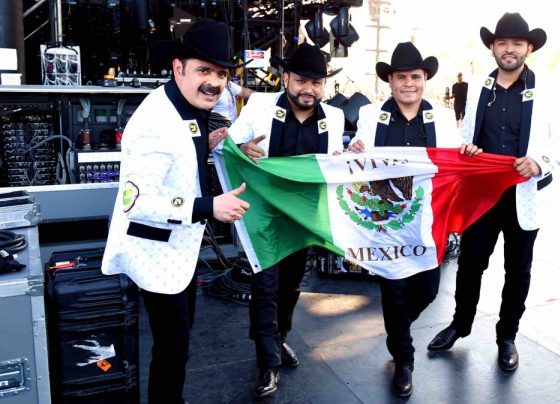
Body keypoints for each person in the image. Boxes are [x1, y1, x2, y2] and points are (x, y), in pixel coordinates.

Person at [101, 19, 250, 403]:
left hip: (179, 247)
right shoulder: (155, 122)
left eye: (221, 73)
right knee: (172, 348)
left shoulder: (185, 104)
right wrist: (209, 206)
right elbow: (137, 202)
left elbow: (184, 154)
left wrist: (219, 145)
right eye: (204, 70)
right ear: (178, 68)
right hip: (156, 252)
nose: (214, 83)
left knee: (177, 345)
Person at [426, 13, 560, 372]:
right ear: (493, 47)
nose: (509, 49)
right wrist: (468, 149)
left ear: (528, 48)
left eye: (517, 43)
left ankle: (507, 336)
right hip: (482, 194)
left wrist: (540, 161)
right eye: (503, 43)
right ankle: (460, 325)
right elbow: (466, 137)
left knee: (517, 270)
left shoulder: (550, 89)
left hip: (525, 194)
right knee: (471, 265)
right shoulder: (479, 86)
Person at [348, 42, 480, 398]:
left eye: (416, 77)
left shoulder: (440, 117)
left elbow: (454, 163)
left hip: (428, 223)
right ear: (390, 81)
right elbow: (358, 156)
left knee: (428, 290)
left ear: (425, 80)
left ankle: (397, 331)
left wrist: (467, 155)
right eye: (401, 77)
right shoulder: (373, 116)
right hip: (387, 222)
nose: (409, 83)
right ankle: (404, 360)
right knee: (395, 291)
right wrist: (353, 151)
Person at [227, 42, 345, 399]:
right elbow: (228, 144)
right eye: (302, 81)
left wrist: (350, 155)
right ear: (287, 78)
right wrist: (241, 147)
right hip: (264, 216)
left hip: (305, 217)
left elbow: (335, 165)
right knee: (264, 288)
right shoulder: (262, 106)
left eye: (317, 82)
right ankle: (268, 362)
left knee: (292, 287)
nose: (308, 89)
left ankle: (278, 339)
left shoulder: (334, 118)